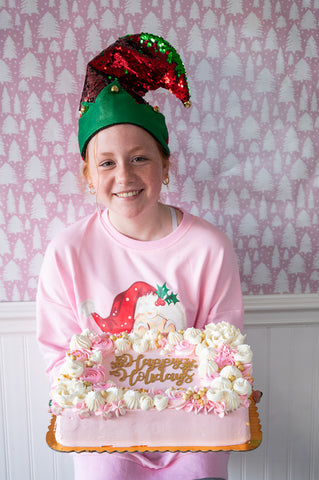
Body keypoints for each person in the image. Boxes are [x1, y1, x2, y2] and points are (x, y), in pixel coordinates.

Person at [37, 33, 245, 480]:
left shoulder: (209, 248)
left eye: (140, 158)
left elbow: (223, 351)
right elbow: (60, 355)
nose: (125, 176)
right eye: (107, 163)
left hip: (193, 429)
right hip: (103, 430)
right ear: (88, 176)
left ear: (165, 165)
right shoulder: (67, 252)